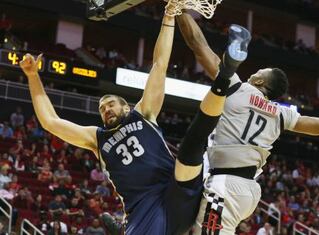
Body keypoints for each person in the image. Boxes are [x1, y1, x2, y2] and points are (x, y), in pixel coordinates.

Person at [19, 1, 250, 234]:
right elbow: (51, 121)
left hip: (175, 189)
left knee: (193, 154)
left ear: (126, 107)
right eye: (102, 109)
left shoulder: (143, 113)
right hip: (143, 209)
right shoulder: (95, 138)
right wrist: (32, 76)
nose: (106, 110)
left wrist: (169, 17)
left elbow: (159, 65)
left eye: (110, 105)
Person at [176, 12, 319, 234]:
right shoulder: (282, 114)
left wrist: (179, 11)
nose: (255, 70)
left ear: (261, 80)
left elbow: (199, 45)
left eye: (259, 70)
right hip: (247, 190)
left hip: (226, 184)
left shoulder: (236, 86)